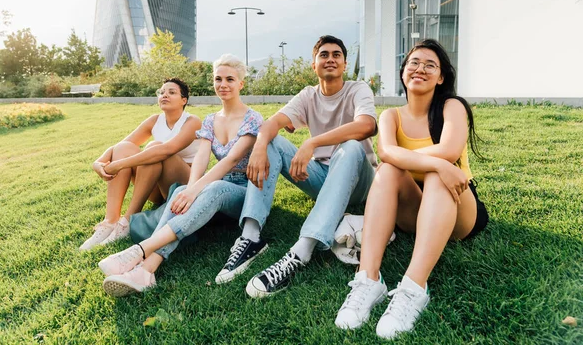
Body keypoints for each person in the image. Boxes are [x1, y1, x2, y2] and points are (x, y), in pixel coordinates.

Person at [334, 39, 488, 339]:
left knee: (436, 175)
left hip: (457, 209)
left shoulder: (451, 106)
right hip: (414, 210)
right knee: (390, 169)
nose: (420, 69)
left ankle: (413, 288)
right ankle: (368, 280)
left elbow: (449, 149)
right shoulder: (391, 116)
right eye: (414, 63)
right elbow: (387, 154)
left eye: (430, 65)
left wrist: (440, 165)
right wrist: (438, 162)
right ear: (404, 72)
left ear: (441, 77)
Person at [99, 54, 266, 296]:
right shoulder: (210, 120)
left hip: (245, 191)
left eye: (230, 79)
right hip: (217, 182)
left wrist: (195, 189)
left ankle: (140, 250)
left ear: (241, 83)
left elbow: (230, 161)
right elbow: (201, 157)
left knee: (211, 188)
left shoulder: (253, 118)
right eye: (218, 79)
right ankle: (147, 270)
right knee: (179, 190)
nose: (223, 84)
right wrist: (190, 187)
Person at [232, 35, 378, 298]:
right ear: (314, 65)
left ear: (344, 64)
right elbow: (273, 122)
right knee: (272, 141)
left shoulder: (358, 89)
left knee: (352, 146)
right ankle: (251, 236)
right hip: (324, 176)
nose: (330, 59)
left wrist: (313, 143)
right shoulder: (308, 95)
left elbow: (367, 126)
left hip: (360, 180)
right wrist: (260, 146)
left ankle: (301, 250)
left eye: (336, 55)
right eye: (324, 54)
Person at [79, 78, 202, 251]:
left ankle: (127, 221)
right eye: (162, 92)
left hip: (181, 188)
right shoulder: (154, 120)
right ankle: (110, 221)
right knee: (124, 148)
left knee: (155, 148)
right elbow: (120, 147)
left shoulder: (192, 121)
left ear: (184, 100)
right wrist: (97, 162)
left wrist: (118, 165)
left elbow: (166, 150)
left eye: (172, 92)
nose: (164, 95)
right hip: (154, 187)